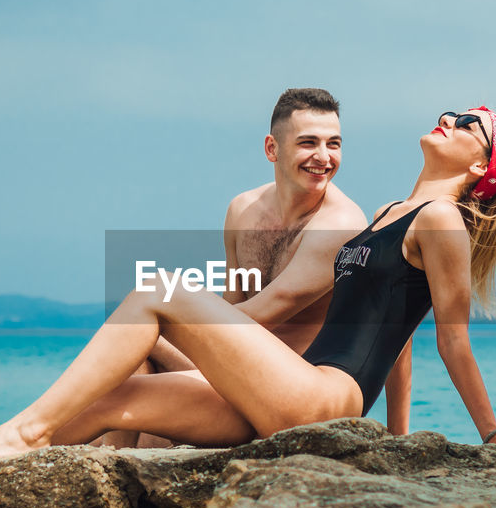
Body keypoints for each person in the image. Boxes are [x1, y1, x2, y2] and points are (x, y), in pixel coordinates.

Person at [0, 105, 496, 491]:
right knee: (110, 402)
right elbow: (396, 339)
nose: (447, 117)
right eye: (450, 110)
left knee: (158, 293)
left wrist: (495, 441)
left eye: (468, 123)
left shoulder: (441, 221)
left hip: (322, 396)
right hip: (286, 396)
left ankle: (14, 438)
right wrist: (395, 441)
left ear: (481, 169)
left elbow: (450, 341)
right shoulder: (390, 211)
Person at [92, 87, 367, 448]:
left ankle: (36, 441)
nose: (324, 157)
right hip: (228, 372)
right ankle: (113, 472)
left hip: (283, 386)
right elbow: (231, 307)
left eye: (334, 144)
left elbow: (262, 316)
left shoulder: (340, 225)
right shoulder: (243, 209)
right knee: (131, 370)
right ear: (272, 148)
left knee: (134, 339)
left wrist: (167, 326)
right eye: (308, 143)